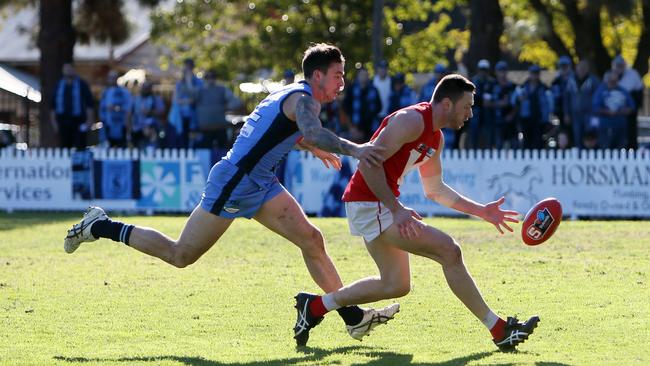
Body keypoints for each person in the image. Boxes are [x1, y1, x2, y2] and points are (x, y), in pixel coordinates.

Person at [63, 43, 397, 347]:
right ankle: (101, 225)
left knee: (312, 239)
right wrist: (355, 148)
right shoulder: (304, 99)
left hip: (260, 182)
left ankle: (351, 318)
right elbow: (309, 129)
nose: (342, 82)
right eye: (338, 75)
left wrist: (311, 147)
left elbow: (286, 131)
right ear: (318, 75)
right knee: (180, 256)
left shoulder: (294, 96)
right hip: (235, 183)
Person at [293, 74, 539, 351]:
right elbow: (368, 165)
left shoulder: (436, 138)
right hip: (370, 202)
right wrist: (396, 209)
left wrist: (482, 211)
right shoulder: (410, 120)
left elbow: (435, 189)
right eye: (467, 105)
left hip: (377, 204)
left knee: (396, 284)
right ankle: (499, 329)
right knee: (450, 251)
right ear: (447, 103)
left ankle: (314, 306)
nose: (470, 113)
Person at [49, 62, 95, 149]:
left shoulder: (82, 84)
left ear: (74, 70)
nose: (68, 71)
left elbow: (89, 104)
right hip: (63, 122)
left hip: (78, 121)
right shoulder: (59, 85)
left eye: (69, 69)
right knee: (64, 147)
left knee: (80, 146)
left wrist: (89, 121)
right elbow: (52, 106)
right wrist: (54, 123)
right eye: (65, 69)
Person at [195, 69, 242, 150]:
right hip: (204, 129)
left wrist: (227, 107)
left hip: (220, 127)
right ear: (204, 78)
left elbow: (237, 101)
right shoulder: (199, 90)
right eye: (208, 77)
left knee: (222, 152)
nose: (210, 79)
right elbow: (187, 98)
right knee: (205, 153)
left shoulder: (222, 89)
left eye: (213, 76)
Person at [592, 71, 635, 149]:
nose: (613, 83)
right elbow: (595, 108)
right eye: (611, 81)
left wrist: (619, 112)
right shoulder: (601, 91)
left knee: (621, 148)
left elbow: (632, 107)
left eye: (615, 81)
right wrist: (608, 112)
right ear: (607, 80)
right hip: (605, 126)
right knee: (605, 149)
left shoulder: (623, 91)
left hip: (620, 126)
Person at [610, 55, 644, 149]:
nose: (619, 68)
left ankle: (632, 150)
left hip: (631, 106)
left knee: (631, 131)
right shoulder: (611, 74)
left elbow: (631, 93)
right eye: (617, 66)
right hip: (617, 109)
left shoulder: (632, 74)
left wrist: (631, 108)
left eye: (621, 66)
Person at [342, 66, 382, 142]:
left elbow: (379, 106)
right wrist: (351, 126)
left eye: (365, 75)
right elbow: (345, 106)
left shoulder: (374, 90)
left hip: (371, 128)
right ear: (358, 76)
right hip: (355, 127)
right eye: (362, 75)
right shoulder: (352, 89)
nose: (364, 77)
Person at [169, 58, 202, 148]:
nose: (186, 70)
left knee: (192, 142)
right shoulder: (179, 83)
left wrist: (189, 82)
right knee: (181, 141)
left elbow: (196, 98)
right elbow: (175, 100)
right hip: (180, 117)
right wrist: (186, 101)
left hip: (194, 117)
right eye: (185, 67)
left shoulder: (198, 82)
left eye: (189, 67)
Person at [98, 70, 132, 147]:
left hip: (121, 126)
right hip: (107, 126)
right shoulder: (104, 92)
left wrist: (116, 108)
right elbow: (101, 109)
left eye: (114, 77)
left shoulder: (124, 92)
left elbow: (128, 109)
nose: (111, 79)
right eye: (110, 77)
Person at [130, 81, 166, 149]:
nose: (145, 90)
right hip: (138, 130)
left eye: (147, 88)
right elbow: (130, 114)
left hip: (152, 130)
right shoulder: (135, 99)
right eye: (144, 88)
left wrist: (150, 112)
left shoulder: (156, 99)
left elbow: (162, 112)